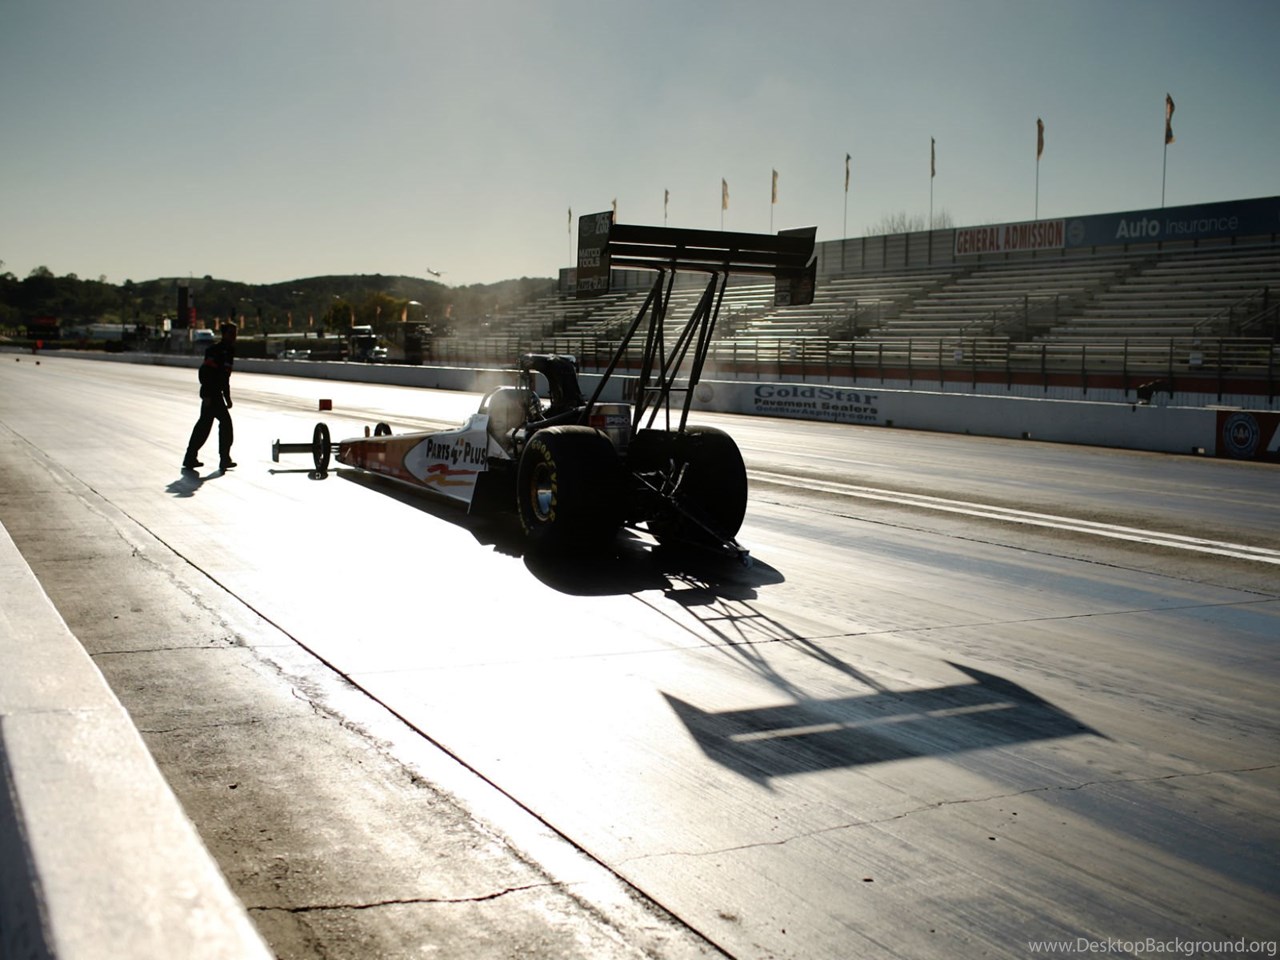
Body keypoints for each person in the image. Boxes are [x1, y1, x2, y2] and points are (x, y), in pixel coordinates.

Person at [183, 322, 237, 471]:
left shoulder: (229, 351)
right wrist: (206, 395)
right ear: (224, 334)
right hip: (211, 394)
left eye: (235, 333)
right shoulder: (214, 350)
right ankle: (224, 458)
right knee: (222, 424)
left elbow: (225, 377)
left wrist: (227, 397)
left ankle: (190, 457)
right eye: (231, 333)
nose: (234, 336)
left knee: (205, 426)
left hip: (217, 394)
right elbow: (205, 373)